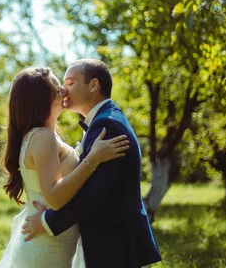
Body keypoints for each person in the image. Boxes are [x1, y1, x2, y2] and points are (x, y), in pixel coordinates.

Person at [21, 59, 162, 268]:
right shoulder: (103, 120)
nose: (63, 90)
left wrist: (47, 222)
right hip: (110, 242)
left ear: (93, 85)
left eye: (70, 82)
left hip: (114, 243)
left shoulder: (108, 125)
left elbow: (95, 192)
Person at [0, 66, 130, 268]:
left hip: (53, 241)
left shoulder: (44, 135)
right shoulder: (42, 136)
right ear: (43, 99)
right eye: (59, 89)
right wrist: (92, 159)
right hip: (45, 247)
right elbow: (55, 198)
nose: (65, 92)